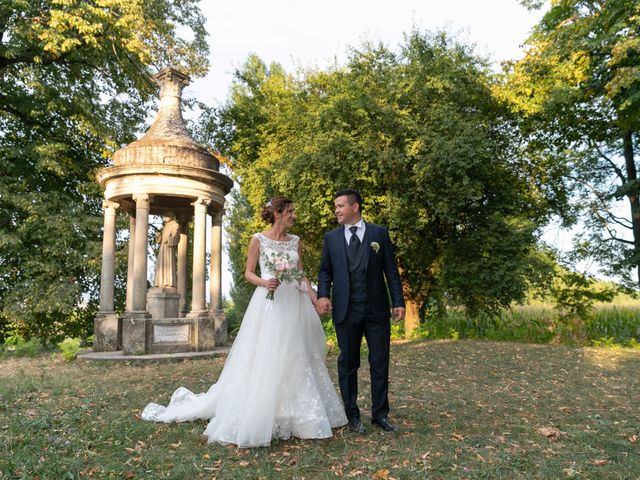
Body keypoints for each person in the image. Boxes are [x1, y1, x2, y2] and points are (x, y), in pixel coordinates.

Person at [141, 196, 347, 447]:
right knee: (268, 354)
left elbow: (301, 275)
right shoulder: (258, 240)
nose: (294, 215)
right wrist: (265, 282)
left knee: (296, 353)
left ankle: (300, 413)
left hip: (295, 303)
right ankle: (264, 410)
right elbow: (249, 273)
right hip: (270, 303)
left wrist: (315, 300)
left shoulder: (296, 242)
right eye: (291, 211)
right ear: (278, 214)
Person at [317, 189, 405, 434]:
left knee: (379, 362)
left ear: (355, 207)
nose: (336, 210)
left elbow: (391, 271)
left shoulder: (379, 234)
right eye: (335, 206)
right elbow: (325, 271)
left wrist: (398, 301)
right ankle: (352, 415)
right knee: (348, 363)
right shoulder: (331, 238)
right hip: (346, 310)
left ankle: (380, 414)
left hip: (376, 309)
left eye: (340, 206)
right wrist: (323, 294)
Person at [153, 215, 181, 288]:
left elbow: (176, 236)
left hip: (168, 247)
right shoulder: (165, 226)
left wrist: (169, 239)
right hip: (163, 247)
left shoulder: (175, 225)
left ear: (171, 217)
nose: (164, 218)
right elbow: (160, 240)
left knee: (168, 263)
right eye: (164, 217)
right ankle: (160, 282)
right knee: (161, 264)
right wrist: (159, 236)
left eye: (166, 216)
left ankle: (168, 282)